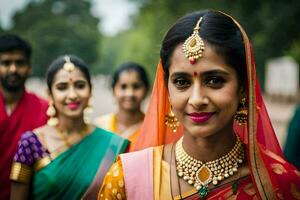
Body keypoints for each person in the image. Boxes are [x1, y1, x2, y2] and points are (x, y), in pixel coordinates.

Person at [99, 10, 300, 199]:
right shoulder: (126, 179)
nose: (196, 99)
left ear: (243, 87)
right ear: (167, 88)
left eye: (214, 80)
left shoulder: (281, 184)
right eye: (181, 82)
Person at [10, 55, 129, 200]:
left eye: (80, 86)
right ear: (50, 95)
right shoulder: (32, 143)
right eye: (62, 87)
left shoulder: (111, 146)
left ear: (90, 90)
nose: (72, 95)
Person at [0, 34, 48, 199]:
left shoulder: (44, 109)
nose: (13, 69)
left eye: (19, 63)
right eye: (6, 63)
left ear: (29, 67)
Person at [94, 62, 149, 150]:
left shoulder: (153, 128)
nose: (129, 93)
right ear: (113, 90)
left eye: (136, 87)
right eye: (123, 87)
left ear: (146, 90)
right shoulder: (99, 127)